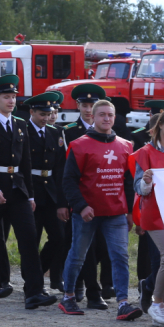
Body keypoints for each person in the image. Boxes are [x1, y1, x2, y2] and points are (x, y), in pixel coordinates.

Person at [0, 75, 54, 310]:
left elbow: (25, 163)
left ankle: (34, 292)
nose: (11, 101)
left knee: (28, 241)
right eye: (6, 97)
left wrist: (31, 194)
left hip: (18, 190)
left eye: (13, 97)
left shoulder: (21, 124)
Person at [58, 98, 140, 320]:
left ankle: (123, 303)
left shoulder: (125, 146)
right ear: (93, 117)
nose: (106, 119)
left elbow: (127, 181)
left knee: (121, 256)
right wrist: (81, 206)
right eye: (102, 114)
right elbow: (69, 181)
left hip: (115, 214)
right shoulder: (79, 145)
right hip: (87, 213)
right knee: (77, 255)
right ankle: (68, 296)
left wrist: (131, 211)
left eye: (110, 115)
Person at [133, 106, 164, 327]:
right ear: (160, 125)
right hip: (154, 214)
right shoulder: (145, 153)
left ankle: (158, 302)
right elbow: (138, 188)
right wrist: (146, 181)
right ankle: (157, 303)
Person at [62, 84, 112, 308]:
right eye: (85, 105)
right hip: (80, 200)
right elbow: (64, 172)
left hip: (103, 198)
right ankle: (88, 289)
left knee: (102, 247)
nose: (89, 109)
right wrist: (65, 202)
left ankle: (94, 286)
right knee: (83, 249)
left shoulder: (111, 130)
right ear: (78, 106)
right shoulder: (69, 131)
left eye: (93, 105)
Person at [23, 92, 67, 298]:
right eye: (41, 113)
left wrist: (62, 199)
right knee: (32, 238)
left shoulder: (55, 133)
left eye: (48, 113)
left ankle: (37, 273)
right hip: (29, 190)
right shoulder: (22, 131)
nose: (45, 117)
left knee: (59, 237)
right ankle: (33, 283)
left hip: (50, 191)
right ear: (31, 112)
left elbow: (60, 167)